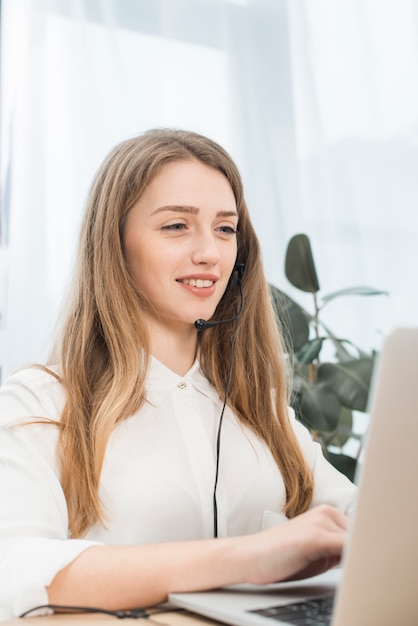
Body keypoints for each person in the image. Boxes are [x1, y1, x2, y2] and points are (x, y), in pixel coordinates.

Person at [0, 128, 356, 620]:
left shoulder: (258, 403)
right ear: (114, 244)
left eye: (226, 229)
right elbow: (15, 570)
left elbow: (360, 517)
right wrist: (248, 558)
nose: (209, 252)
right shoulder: (39, 403)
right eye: (176, 227)